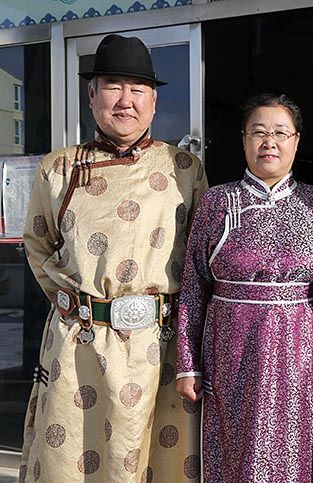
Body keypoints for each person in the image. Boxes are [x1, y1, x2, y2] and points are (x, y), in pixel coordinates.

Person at [20, 34, 207, 482]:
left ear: (154, 102)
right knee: (71, 464)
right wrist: (76, 306)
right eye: (113, 86)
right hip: (79, 348)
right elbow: (38, 245)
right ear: (91, 95)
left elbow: (200, 261)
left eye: (137, 89)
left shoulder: (184, 168)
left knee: (155, 463)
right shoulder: (58, 168)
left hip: (157, 350)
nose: (126, 100)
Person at [176, 93, 313, 482]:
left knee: (297, 454)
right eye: (259, 132)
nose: (269, 143)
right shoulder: (217, 201)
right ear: (244, 139)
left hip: (300, 356)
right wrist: (187, 363)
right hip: (233, 352)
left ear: (297, 140)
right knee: (238, 454)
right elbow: (194, 286)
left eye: (280, 133)